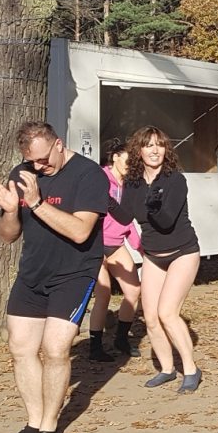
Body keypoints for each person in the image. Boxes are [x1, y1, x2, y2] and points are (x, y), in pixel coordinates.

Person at [0, 122, 110, 433]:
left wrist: (37, 203)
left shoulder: (88, 175)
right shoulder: (23, 173)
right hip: (32, 273)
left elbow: (80, 232)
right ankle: (33, 421)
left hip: (74, 273)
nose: (38, 166)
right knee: (21, 348)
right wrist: (11, 212)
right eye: (31, 161)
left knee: (56, 349)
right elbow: (8, 235)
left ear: (59, 144)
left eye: (43, 159)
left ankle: (49, 425)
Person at [111, 126, 203, 393]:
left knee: (167, 313)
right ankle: (166, 369)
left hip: (182, 252)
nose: (154, 150)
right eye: (148, 145)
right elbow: (124, 217)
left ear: (166, 150)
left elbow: (166, 221)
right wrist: (104, 200)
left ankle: (191, 370)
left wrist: (153, 206)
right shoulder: (133, 183)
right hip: (153, 256)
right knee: (150, 317)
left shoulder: (175, 180)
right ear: (138, 150)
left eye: (159, 145)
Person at [86, 137, 141, 362]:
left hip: (116, 244)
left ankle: (121, 339)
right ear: (116, 157)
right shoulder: (99, 178)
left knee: (134, 291)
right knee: (104, 293)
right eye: (128, 159)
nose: (131, 165)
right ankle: (95, 346)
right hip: (95, 244)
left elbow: (128, 219)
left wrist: (140, 246)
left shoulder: (129, 185)